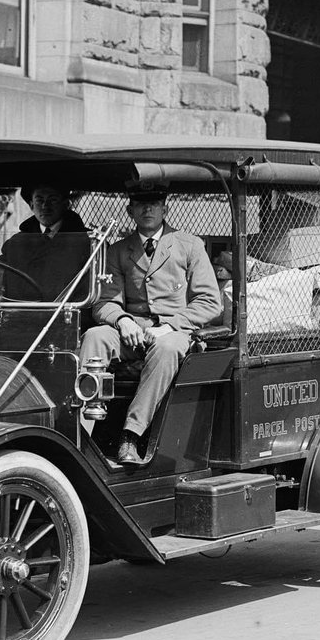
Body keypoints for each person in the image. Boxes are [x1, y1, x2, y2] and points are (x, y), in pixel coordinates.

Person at [80, 186, 222, 466]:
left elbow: (210, 302)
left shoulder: (189, 245)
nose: (148, 210)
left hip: (176, 333)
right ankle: (79, 431)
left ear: (165, 210)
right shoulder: (118, 250)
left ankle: (131, 435)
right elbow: (104, 302)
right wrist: (122, 320)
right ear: (129, 210)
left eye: (154, 204)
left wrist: (169, 326)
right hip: (132, 331)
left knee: (167, 348)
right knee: (96, 336)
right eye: (141, 204)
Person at [0, 184, 90, 302]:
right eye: (39, 200)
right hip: (17, 318)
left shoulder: (86, 242)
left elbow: (88, 293)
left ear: (65, 204)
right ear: (31, 205)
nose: (45, 206)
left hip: (64, 318)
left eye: (52, 200)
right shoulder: (15, 244)